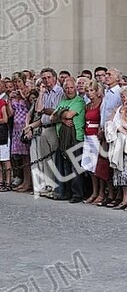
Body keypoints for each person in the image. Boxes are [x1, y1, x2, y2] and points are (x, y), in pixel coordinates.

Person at [50, 76, 86, 203]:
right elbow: (51, 118)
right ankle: (68, 192)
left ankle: (78, 194)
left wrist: (61, 114)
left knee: (75, 168)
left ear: (75, 88)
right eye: (66, 88)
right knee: (66, 167)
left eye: (71, 87)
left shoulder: (79, 101)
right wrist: (63, 118)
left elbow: (70, 115)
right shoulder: (63, 102)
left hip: (75, 138)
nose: (69, 90)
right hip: (63, 139)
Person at [32, 68, 64, 197]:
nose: (46, 80)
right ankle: (48, 184)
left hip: (54, 127)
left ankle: (55, 186)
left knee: (54, 158)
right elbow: (38, 109)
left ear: (55, 78)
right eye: (44, 78)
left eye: (49, 77)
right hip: (44, 127)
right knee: (45, 158)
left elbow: (56, 111)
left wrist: (45, 110)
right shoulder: (45, 93)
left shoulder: (60, 92)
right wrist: (41, 93)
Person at [82, 80, 105, 203]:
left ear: (97, 91)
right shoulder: (87, 105)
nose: (90, 93)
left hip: (96, 136)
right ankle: (94, 191)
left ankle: (101, 192)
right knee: (90, 166)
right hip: (88, 136)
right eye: (87, 91)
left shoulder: (101, 104)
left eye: (92, 90)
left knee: (98, 166)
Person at [10, 76, 32, 192]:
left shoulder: (28, 93)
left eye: (19, 81)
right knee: (21, 157)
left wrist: (24, 97)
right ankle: (24, 181)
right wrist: (10, 100)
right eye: (15, 82)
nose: (17, 84)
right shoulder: (14, 95)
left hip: (26, 126)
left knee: (27, 157)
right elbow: (10, 113)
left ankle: (28, 182)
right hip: (16, 128)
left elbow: (31, 108)